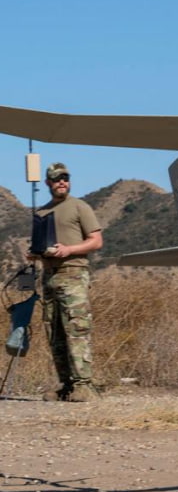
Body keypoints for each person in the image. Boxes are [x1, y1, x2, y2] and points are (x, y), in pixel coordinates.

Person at [29, 162, 103, 402]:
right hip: (49, 275)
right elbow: (39, 246)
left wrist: (69, 249)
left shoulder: (79, 207)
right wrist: (34, 254)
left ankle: (85, 385)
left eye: (65, 178)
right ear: (48, 182)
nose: (62, 182)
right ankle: (68, 385)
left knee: (76, 328)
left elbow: (95, 241)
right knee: (55, 331)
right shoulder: (41, 213)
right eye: (57, 178)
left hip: (73, 273)